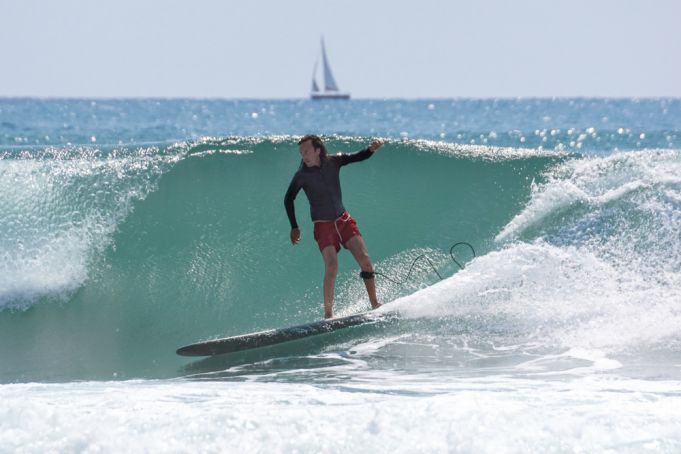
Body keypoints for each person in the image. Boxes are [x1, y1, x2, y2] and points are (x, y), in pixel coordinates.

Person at [284, 135, 384, 319]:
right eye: (301, 152)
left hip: (344, 221)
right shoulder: (301, 176)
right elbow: (288, 198)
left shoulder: (333, 162)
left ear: (317, 150)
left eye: (306, 151)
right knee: (332, 266)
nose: (303, 155)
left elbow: (357, 157)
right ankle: (328, 315)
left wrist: (371, 149)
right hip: (323, 227)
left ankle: (375, 304)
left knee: (366, 261)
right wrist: (294, 226)